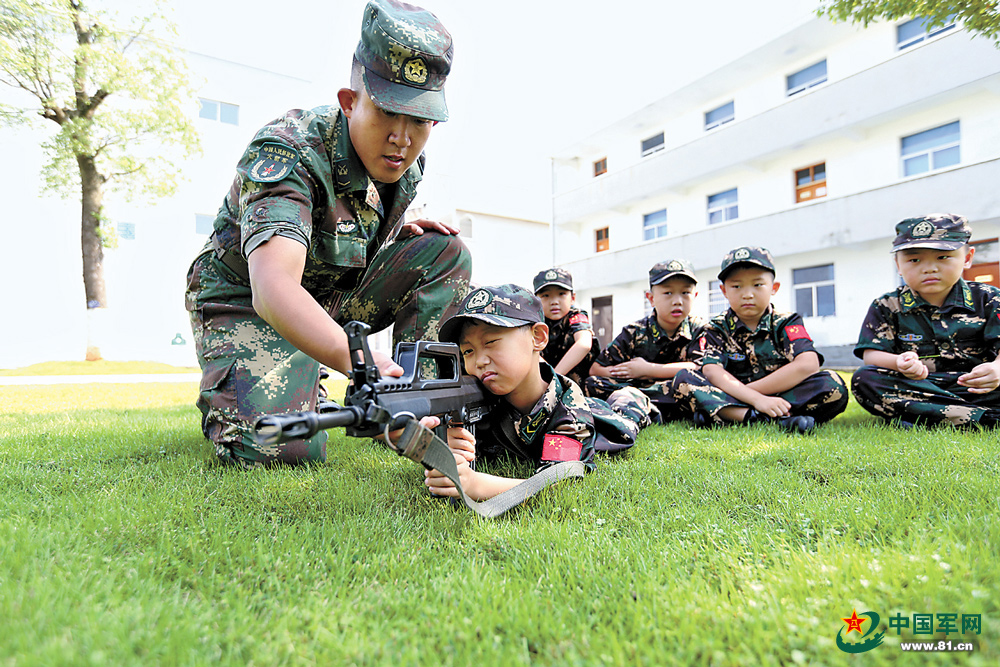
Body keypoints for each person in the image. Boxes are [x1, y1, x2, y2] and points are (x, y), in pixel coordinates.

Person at [184, 0, 470, 467]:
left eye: (419, 119)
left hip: (328, 295)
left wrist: (397, 235)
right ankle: (291, 388)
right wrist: (357, 364)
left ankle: (415, 397)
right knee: (279, 447)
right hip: (243, 297)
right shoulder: (289, 148)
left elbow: (351, 224)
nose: (402, 137)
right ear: (349, 101)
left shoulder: (406, 165)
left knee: (443, 251)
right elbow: (273, 289)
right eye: (387, 113)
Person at [424, 284, 654, 501]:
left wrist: (475, 485)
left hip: (599, 416)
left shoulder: (569, 413)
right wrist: (441, 444)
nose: (480, 361)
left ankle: (633, 396)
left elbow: (559, 482)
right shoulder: (478, 398)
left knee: (625, 415)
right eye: (468, 351)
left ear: (538, 337)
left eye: (491, 342)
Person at [672, 247, 848, 432]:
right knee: (684, 379)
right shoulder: (716, 328)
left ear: (774, 288)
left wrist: (750, 394)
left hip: (767, 393)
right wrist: (757, 401)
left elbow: (808, 364)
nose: (747, 294)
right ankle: (760, 418)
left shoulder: (786, 322)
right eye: (737, 286)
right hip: (735, 392)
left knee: (832, 384)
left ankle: (728, 414)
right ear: (724, 291)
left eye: (757, 285)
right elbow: (712, 371)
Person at [852, 214, 1000, 428]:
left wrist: (997, 368)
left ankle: (927, 417)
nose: (929, 268)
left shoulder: (989, 298)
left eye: (943, 257)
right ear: (898, 265)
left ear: (967, 258)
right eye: (914, 260)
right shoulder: (887, 305)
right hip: (920, 386)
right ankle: (984, 419)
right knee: (865, 380)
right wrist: (898, 363)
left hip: (978, 385)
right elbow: (871, 355)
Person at [585, 259, 705, 421]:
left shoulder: (699, 328)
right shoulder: (634, 331)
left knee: (693, 381)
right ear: (651, 298)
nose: (677, 301)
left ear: (695, 296)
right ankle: (648, 407)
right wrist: (628, 373)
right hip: (639, 390)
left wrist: (647, 369)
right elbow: (596, 369)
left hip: (676, 390)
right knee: (593, 383)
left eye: (685, 293)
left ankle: (643, 409)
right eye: (668, 293)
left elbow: (699, 366)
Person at [532, 267, 600, 389]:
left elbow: (584, 344)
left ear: (573, 298)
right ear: (536, 300)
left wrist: (554, 378)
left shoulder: (576, 315)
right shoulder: (534, 321)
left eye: (561, 294)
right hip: (545, 381)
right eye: (546, 295)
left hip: (580, 383)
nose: (554, 301)